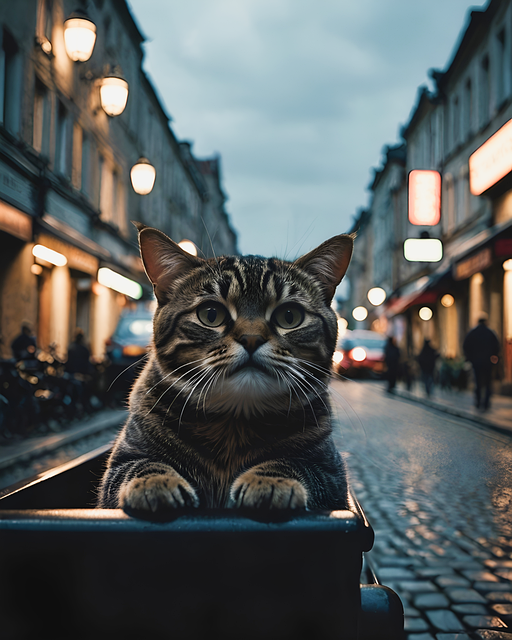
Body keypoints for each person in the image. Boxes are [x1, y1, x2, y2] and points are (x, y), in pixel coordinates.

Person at [463, 313, 500, 411]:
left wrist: (470, 358)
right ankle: (486, 403)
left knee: (478, 382)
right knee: (488, 382)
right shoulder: (490, 333)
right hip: (488, 362)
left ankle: (478, 402)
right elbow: (496, 347)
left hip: (476, 362)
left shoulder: (473, 333)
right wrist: (494, 357)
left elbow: (465, 346)